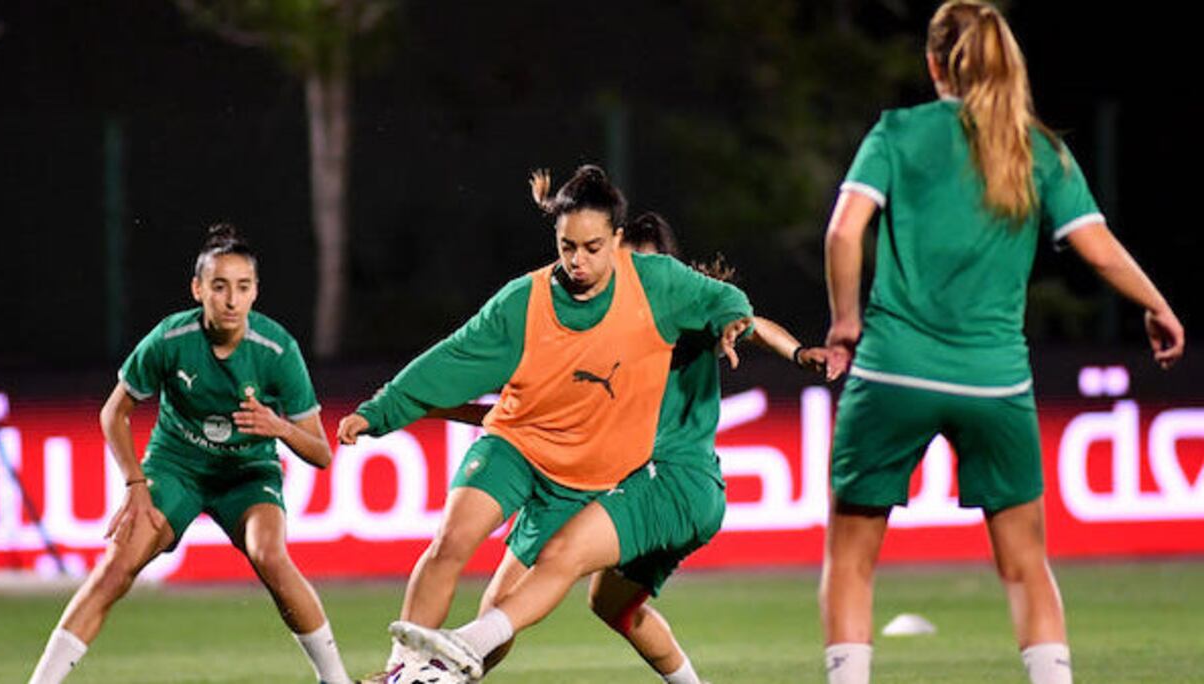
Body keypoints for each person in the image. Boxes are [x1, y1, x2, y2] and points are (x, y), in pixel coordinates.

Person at [817, 3, 1185, 684]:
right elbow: (1098, 251)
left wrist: (845, 322)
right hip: (996, 382)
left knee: (852, 561)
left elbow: (844, 231)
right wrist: (1156, 304)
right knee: (1024, 566)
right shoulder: (1036, 146)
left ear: (933, 64)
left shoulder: (898, 132)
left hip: (894, 373)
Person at [336, 166, 755, 683]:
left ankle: (448, 666)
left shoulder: (654, 284)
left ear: (618, 241)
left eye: (592, 247)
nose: (577, 261)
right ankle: (402, 675)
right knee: (451, 541)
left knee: (507, 599)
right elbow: (453, 358)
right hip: (515, 444)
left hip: (583, 479)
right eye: (566, 246)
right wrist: (380, 410)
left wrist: (737, 319)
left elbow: (724, 299)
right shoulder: (524, 300)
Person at [27, 224, 351, 684]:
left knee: (269, 554)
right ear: (198, 289)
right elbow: (113, 412)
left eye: (242, 287)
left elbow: (321, 453)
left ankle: (335, 681)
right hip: (176, 467)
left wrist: (277, 426)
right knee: (117, 566)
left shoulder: (278, 349)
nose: (231, 300)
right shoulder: (169, 339)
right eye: (219, 287)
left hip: (246, 472)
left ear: (256, 291)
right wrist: (135, 483)